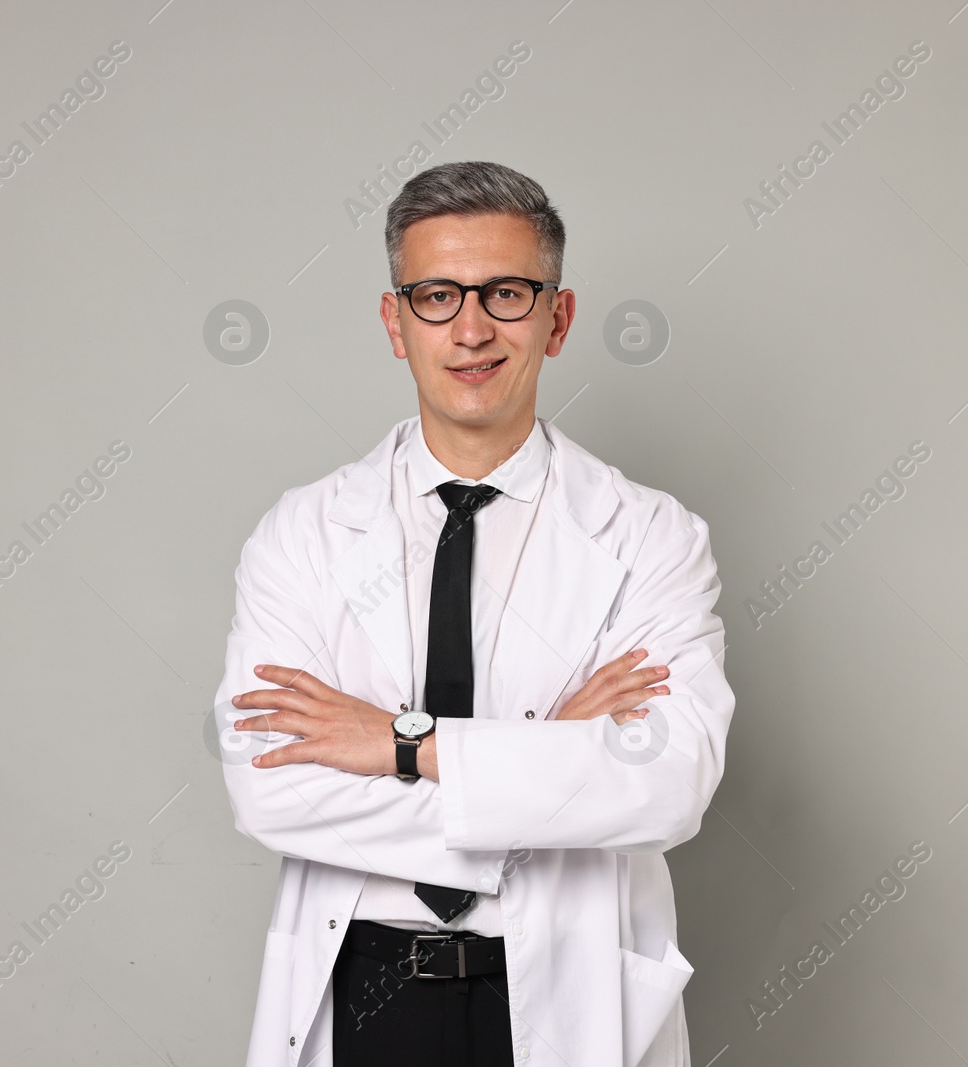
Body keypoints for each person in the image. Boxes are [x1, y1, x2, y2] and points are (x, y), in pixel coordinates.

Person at [216, 160, 735, 1066]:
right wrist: (548, 761)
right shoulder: (302, 534)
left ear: (557, 317)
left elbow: (667, 780)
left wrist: (402, 743)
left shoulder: (653, 536)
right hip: (364, 991)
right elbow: (271, 787)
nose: (470, 328)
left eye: (504, 292)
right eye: (434, 296)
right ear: (394, 322)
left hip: (565, 990)